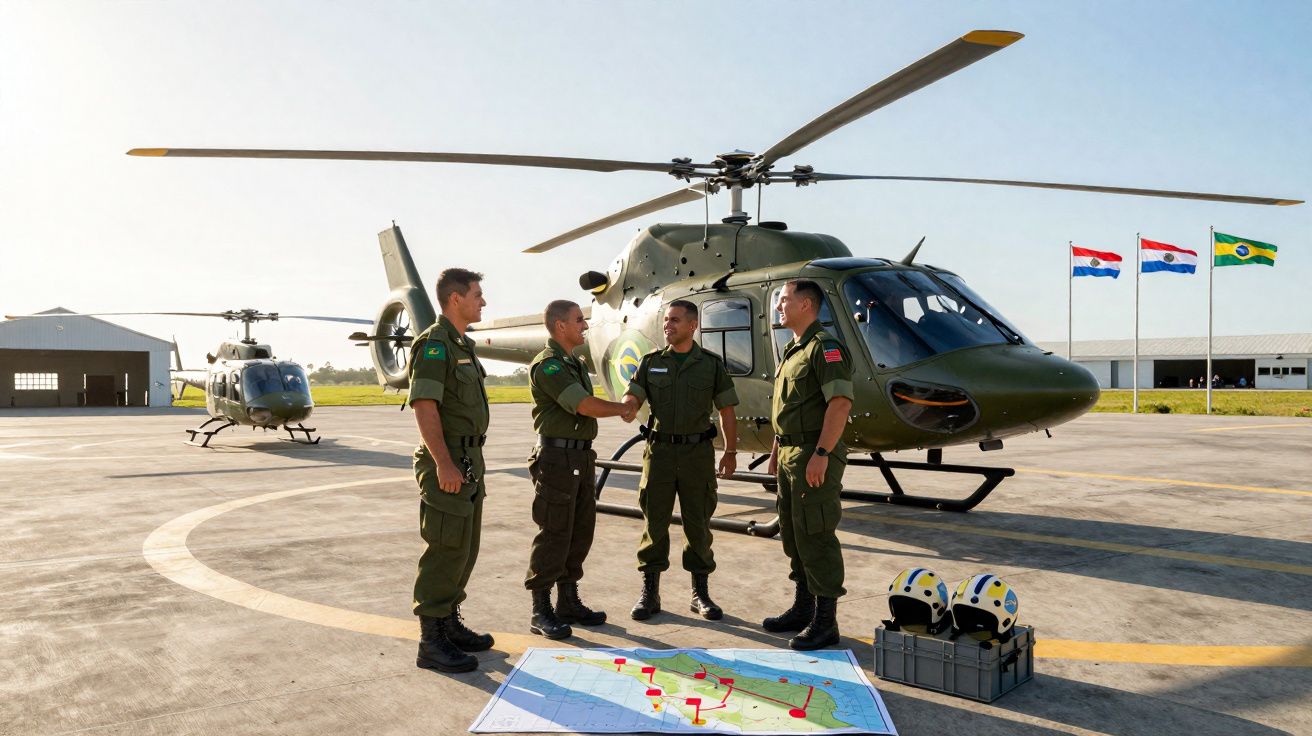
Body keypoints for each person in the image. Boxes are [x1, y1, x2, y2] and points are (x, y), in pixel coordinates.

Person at [621, 300, 739, 622]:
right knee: (654, 523)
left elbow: (727, 410)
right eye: (666, 321)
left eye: (674, 321)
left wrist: (730, 451)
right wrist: (628, 405)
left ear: (692, 325)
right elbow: (634, 393)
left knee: (698, 524)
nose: (667, 326)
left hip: (696, 456)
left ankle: (699, 594)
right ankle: (650, 593)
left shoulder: (711, 365)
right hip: (659, 453)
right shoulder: (651, 362)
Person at [524, 300, 636, 639]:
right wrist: (623, 408)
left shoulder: (573, 363)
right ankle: (540, 609)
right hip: (558, 460)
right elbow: (584, 405)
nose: (584, 326)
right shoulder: (551, 366)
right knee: (555, 532)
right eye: (578, 320)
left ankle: (568, 602)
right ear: (560, 326)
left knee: (579, 531)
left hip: (581, 458)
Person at [409, 268, 493, 674]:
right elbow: (425, 406)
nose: (483, 301)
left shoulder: (462, 344)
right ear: (455, 298)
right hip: (448, 459)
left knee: (465, 548)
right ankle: (431, 642)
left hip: (468, 460)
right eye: (478, 295)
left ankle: (449, 624)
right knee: (444, 549)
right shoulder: (436, 345)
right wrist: (442, 461)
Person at [762, 280, 854, 651]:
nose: (779, 307)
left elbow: (840, 404)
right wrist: (774, 451)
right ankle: (803, 607)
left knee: (816, 533)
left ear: (806, 304)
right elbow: (787, 410)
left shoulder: (825, 348)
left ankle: (825, 621)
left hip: (812, 454)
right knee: (794, 533)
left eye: (784, 300)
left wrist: (821, 454)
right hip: (789, 455)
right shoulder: (792, 350)